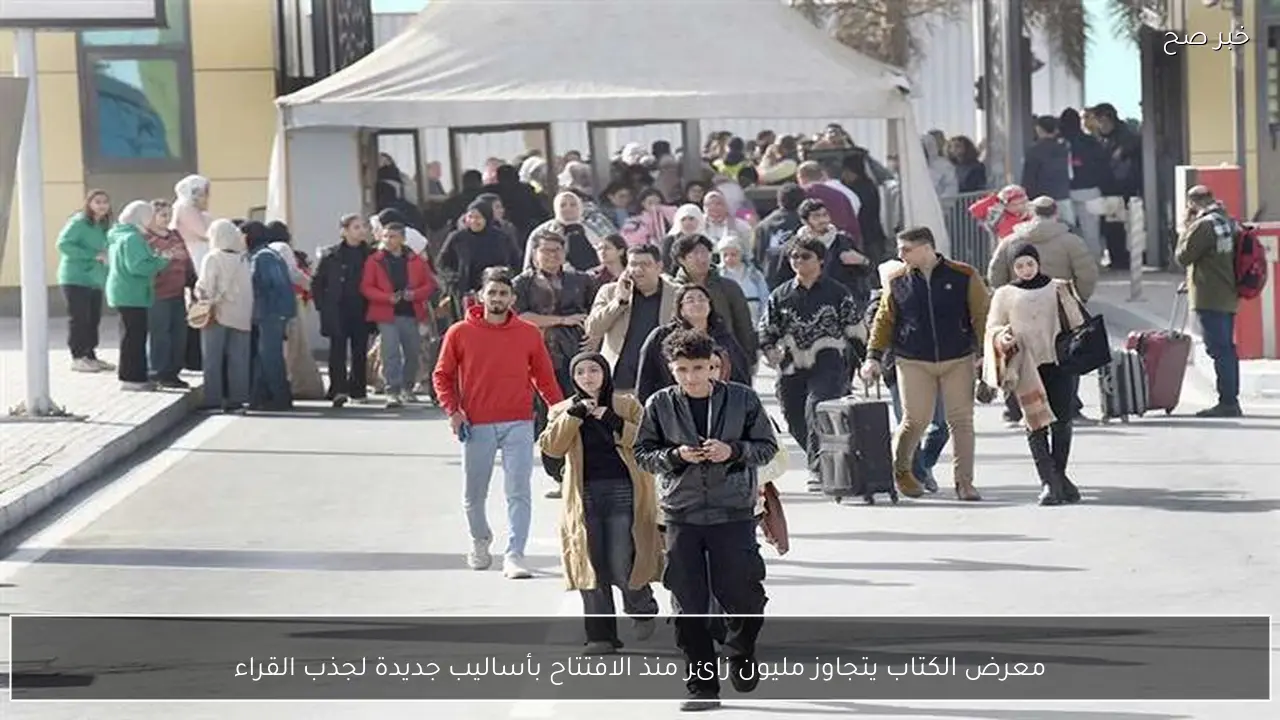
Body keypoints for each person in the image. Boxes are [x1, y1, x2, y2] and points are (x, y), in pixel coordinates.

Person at [633, 329, 777, 712]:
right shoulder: (660, 404)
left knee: (742, 593)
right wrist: (677, 455)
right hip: (682, 513)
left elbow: (767, 448)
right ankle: (701, 685)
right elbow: (643, 453)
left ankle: (741, 649)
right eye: (682, 369)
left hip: (732, 512)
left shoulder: (741, 399)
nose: (691, 377)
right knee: (687, 602)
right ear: (671, 369)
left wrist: (732, 450)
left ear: (712, 365)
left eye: (698, 368)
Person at [432, 267, 565, 579]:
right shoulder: (460, 332)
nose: (497, 298)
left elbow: (543, 378)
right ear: (481, 296)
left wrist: (559, 411)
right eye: (492, 292)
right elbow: (442, 375)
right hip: (476, 424)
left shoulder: (528, 332)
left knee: (518, 491)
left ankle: (515, 554)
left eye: (503, 293)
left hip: (518, 422)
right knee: (474, 494)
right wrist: (453, 410)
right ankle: (480, 540)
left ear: (513, 298)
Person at [538, 352, 662, 655]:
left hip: (623, 492)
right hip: (584, 496)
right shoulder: (562, 410)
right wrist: (574, 416)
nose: (588, 377)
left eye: (594, 370)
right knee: (589, 564)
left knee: (622, 562)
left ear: (605, 373)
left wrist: (614, 421)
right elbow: (551, 447)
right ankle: (600, 635)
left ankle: (641, 605)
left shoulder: (627, 405)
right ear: (574, 378)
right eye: (581, 372)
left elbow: (647, 441)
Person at [863, 227, 990, 501]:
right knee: (914, 421)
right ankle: (902, 472)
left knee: (961, 421)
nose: (900, 255)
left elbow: (981, 316)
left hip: (958, 357)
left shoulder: (964, 274)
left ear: (926, 248)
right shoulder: (898, 280)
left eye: (906, 249)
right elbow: (884, 320)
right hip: (913, 360)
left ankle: (964, 482)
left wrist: (983, 355)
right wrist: (872, 357)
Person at [758, 235, 864, 493]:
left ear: (820, 260)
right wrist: (769, 349)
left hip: (829, 362)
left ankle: (817, 468)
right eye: (794, 256)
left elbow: (855, 329)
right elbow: (766, 329)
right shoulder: (780, 295)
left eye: (805, 256)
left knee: (816, 407)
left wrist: (868, 361)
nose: (798, 261)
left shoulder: (837, 292)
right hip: (791, 364)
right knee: (794, 417)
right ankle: (821, 459)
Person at [984, 244, 1085, 506]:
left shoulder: (1058, 287)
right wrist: (1002, 336)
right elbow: (992, 327)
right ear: (1012, 268)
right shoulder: (1004, 294)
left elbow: (1077, 324)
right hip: (1026, 366)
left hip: (1059, 362)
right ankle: (1049, 483)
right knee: (1035, 422)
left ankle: (1060, 476)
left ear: (1038, 263)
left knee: (1062, 421)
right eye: (1019, 266)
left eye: (1030, 264)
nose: (1026, 270)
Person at [1176, 185, 1242, 418]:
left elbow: (1183, 256)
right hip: (1228, 293)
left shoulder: (1203, 226)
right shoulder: (1227, 220)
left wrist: (1185, 227)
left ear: (1192, 203)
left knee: (1219, 349)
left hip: (1209, 295)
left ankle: (1227, 402)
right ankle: (1231, 398)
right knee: (1227, 349)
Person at [585, 245, 679, 394]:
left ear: (659, 266)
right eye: (633, 264)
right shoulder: (609, 292)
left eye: (645, 264)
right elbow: (593, 329)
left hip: (662, 381)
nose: (638, 270)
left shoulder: (677, 294)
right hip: (619, 382)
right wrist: (619, 301)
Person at [361, 221, 437, 408]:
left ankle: (407, 387)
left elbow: (429, 285)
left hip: (411, 313)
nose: (388, 240)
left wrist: (415, 294)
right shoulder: (375, 260)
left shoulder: (415, 260)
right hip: (386, 313)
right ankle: (392, 390)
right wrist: (386, 297)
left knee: (412, 352)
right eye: (385, 236)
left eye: (392, 236)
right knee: (390, 352)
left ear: (402, 239)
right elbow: (366, 287)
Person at [635, 284, 751, 404]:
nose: (697, 303)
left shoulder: (723, 336)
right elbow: (646, 377)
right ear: (681, 309)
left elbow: (741, 373)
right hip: (673, 406)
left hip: (720, 406)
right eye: (690, 300)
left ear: (710, 306)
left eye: (702, 299)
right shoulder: (662, 337)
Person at [106, 201, 175, 391]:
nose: (152, 219)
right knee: (134, 338)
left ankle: (133, 375)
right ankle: (133, 379)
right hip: (132, 292)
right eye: (150, 215)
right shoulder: (132, 238)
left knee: (130, 336)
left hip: (124, 291)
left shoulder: (119, 235)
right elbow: (137, 266)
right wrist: (161, 261)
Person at [669, 234, 758, 377]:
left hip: (724, 358)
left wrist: (749, 358)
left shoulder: (728, 287)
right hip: (684, 362)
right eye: (694, 254)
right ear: (681, 259)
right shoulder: (672, 289)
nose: (702, 258)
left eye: (705, 253)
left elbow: (743, 325)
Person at [312, 214, 374, 407]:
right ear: (344, 231)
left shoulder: (371, 255)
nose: (361, 230)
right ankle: (338, 389)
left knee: (359, 350)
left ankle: (358, 390)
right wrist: (323, 305)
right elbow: (317, 282)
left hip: (362, 307)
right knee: (337, 349)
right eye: (356, 227)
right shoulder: (331, 255)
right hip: (337, 308)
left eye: (363, 226)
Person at [195, 219, 254, 413]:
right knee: (239, 358)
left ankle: (213, 400)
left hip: (217, 314)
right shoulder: (243, 259)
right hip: (241, 315)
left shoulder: (213, 257)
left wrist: (198, 295)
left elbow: (206, 287)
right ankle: (237, 399)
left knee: (212, 358)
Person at [57, 189, 114, 373]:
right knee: (79, 318)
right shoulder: (79, 222)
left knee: (93, 319)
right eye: (97, 202)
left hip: (95, 279)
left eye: (105, 202)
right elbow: (63, 244)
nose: (102, 205)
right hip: (75, 277)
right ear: (88, 204)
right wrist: (93, 255)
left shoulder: (104, 225)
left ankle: (90, 355)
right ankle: (77, 357)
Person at [246, 221, 296, 411]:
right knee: (263, 356)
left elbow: (276, 285)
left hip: (271, 312)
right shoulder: (262, 255)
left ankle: (281, 398)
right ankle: (259, 397)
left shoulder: (264, 257)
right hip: (268, 312)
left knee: (271, 356)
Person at [143, 199, 193, 388]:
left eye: (169, 215)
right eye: (163, 215)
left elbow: (186, 259)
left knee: (179, 333)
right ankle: (158, 372)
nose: (167, 219)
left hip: (178, 291)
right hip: (158, 292)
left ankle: (173, 372)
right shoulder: (146, 238)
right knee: (160, 334)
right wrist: (168, 256)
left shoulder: (175, 235)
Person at [715, 237, 770, 326]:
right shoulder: (717, 275)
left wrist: (763, 320)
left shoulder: (754, 274)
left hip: (754, 322)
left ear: (740, 254)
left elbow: (764, 298)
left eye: (733, 255)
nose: (729, 259)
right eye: (725, 255)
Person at [170, 175, 213, 275]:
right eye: (202, 194)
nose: (206, 198)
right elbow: (204, 233)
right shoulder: (185, 208)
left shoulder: (199, 212)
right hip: (194, 253)